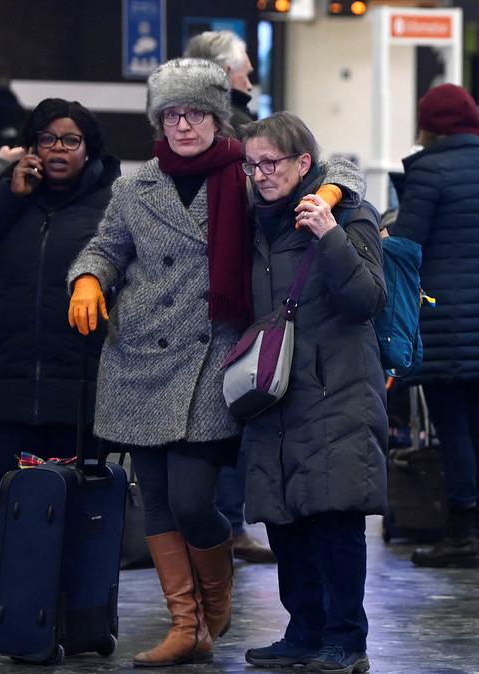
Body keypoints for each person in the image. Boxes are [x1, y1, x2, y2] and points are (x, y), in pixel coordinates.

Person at [65, 58, 353, 667]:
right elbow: (105, 246)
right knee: (159, 501)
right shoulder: (134, 186)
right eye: (171, 114)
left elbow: (337, 165)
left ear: (216, 116)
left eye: (194, 112)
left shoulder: (246, 173)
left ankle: (214, 603)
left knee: (195, 499)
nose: (183, 124)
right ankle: (185, 625)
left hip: (215, 356)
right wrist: (89, 277)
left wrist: (329, 190)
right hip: (138, 359)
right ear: (158, 121)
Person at [237, 112, 385, 674]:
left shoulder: (350, 214)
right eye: (252, 165)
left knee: (334, 514)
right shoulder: (255, 224)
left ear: (303, 164)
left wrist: (331, 234)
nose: (260, 175)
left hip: (336, 388)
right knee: (285, 516)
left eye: (270, 163)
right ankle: (303, 630)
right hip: (274, 391)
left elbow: (368, 298)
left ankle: (347, 638)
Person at [390, 84, 479, 569]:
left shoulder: (429, 169)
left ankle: (460, 534)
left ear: (428, 125)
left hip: (448, 314)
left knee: (452, 424)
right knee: (477, 421)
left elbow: (409, 242)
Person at [0, 98, 122, 487]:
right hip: (11, 390)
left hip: (80, 392)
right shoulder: (12, 197)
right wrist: (9, 193)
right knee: (15, 517)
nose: (58, 148)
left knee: (78, 519)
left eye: (70, 140)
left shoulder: (112, 206)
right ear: (32, 148)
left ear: (89, 148)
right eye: (47, 139)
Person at [185, 27, 274, 565]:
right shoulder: (236, 133)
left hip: (209, 288)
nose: (250, 77)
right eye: (243, 68)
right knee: (234, 404)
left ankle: (220, 521)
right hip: (230, 286)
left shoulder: (198, 128)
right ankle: (226, 521)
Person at [184, 30, 256, 130]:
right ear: (225, 72)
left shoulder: (168, 118)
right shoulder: (239, 126)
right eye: (245, 75)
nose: (249, 86)